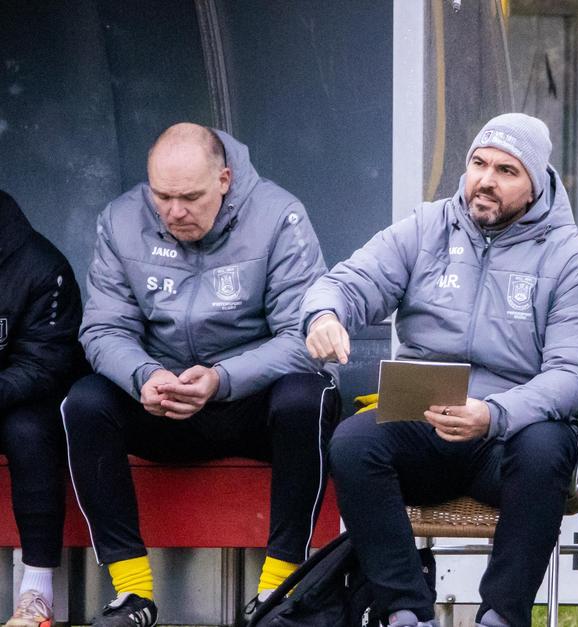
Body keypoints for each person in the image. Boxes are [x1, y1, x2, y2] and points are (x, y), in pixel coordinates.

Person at [304, 113, 578, 627]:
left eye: (507, 171)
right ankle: (405, 611)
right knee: (354, 443)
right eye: (479, 164)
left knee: (546, 448)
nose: (486, 180)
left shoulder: (571, 258)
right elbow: (349, 282)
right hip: (426, 424)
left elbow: (575, 376)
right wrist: (325, 315)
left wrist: (493, 414)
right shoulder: (428, 227)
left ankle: (500, 616)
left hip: (511, 438)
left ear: (536, 185)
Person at [62, 123, 338, 626]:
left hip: (246, 400)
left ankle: (278, 593)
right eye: (162, 196)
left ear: (225, 179)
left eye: (190, 198)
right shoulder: (120, 219)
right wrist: (143, 375)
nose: (174, 212)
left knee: (309, 397)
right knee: (83, 402)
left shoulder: (279, 216)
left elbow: (303, 339)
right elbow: (103, 329)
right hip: (160, 399)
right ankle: (132, 593)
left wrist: (221, 378)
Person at [0, 190, 86, 627]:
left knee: (28, 431)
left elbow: (44, 364)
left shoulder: (40, 266)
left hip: (23, 399)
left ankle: (36, 592)